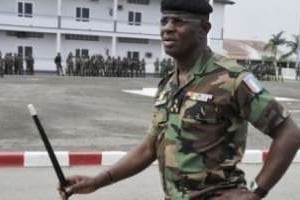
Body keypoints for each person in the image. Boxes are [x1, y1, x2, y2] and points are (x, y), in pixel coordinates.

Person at [58, 0, 300, 200]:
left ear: (204, 29)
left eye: (179, 21)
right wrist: (97, 181)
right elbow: (149, 147)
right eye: (164, 20)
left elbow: (289, 133)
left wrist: (257, 192)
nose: (168, 28)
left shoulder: (232, 78)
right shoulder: (169, 84)